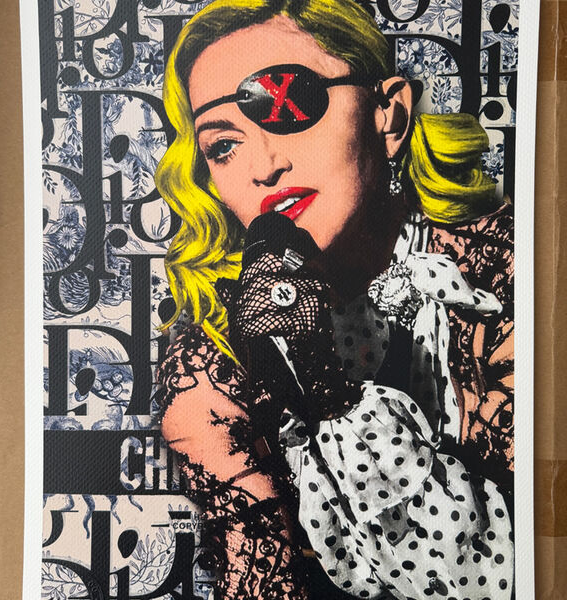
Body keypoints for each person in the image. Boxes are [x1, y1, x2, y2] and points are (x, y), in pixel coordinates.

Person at [154, 0, 515, 598]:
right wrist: (311, 377)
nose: (264, 165)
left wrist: (329, 388)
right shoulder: (211, 358)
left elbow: (510, 573)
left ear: (389, 115)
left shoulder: (503, 270)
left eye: (289, 106)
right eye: (223, 146)